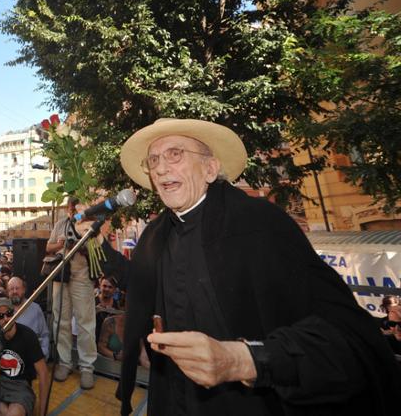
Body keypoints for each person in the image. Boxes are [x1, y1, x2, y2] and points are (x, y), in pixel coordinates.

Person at [104, 118, 401, 415]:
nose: (160, 168)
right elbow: (141, 287)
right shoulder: (154, 236)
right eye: (154, 160)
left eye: (175, 154)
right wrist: (97, 246)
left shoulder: (260, 224)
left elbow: (346, 336)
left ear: (210, 169)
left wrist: (243, 359)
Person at [47, 196, 97, 389]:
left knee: (86, 323)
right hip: (61, 275)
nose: (72, 211)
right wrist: (61, 245)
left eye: (76, 209)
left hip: (82, 276)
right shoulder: (60, 224)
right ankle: (64, 362)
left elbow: (98, 250)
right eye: (70, 208)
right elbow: (48, 247)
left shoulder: (89, 224)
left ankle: (87, 368)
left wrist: (81, 246)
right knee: (61, 320)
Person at [6, 277, 49, 358]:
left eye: (17, 288)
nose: (14, 291)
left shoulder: (35, 309)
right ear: (8, 292)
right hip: (12, 358)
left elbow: (44, 335)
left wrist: (43, 354)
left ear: (24, 290)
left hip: (33, 357)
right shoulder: (4, 310)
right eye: (11, 289)